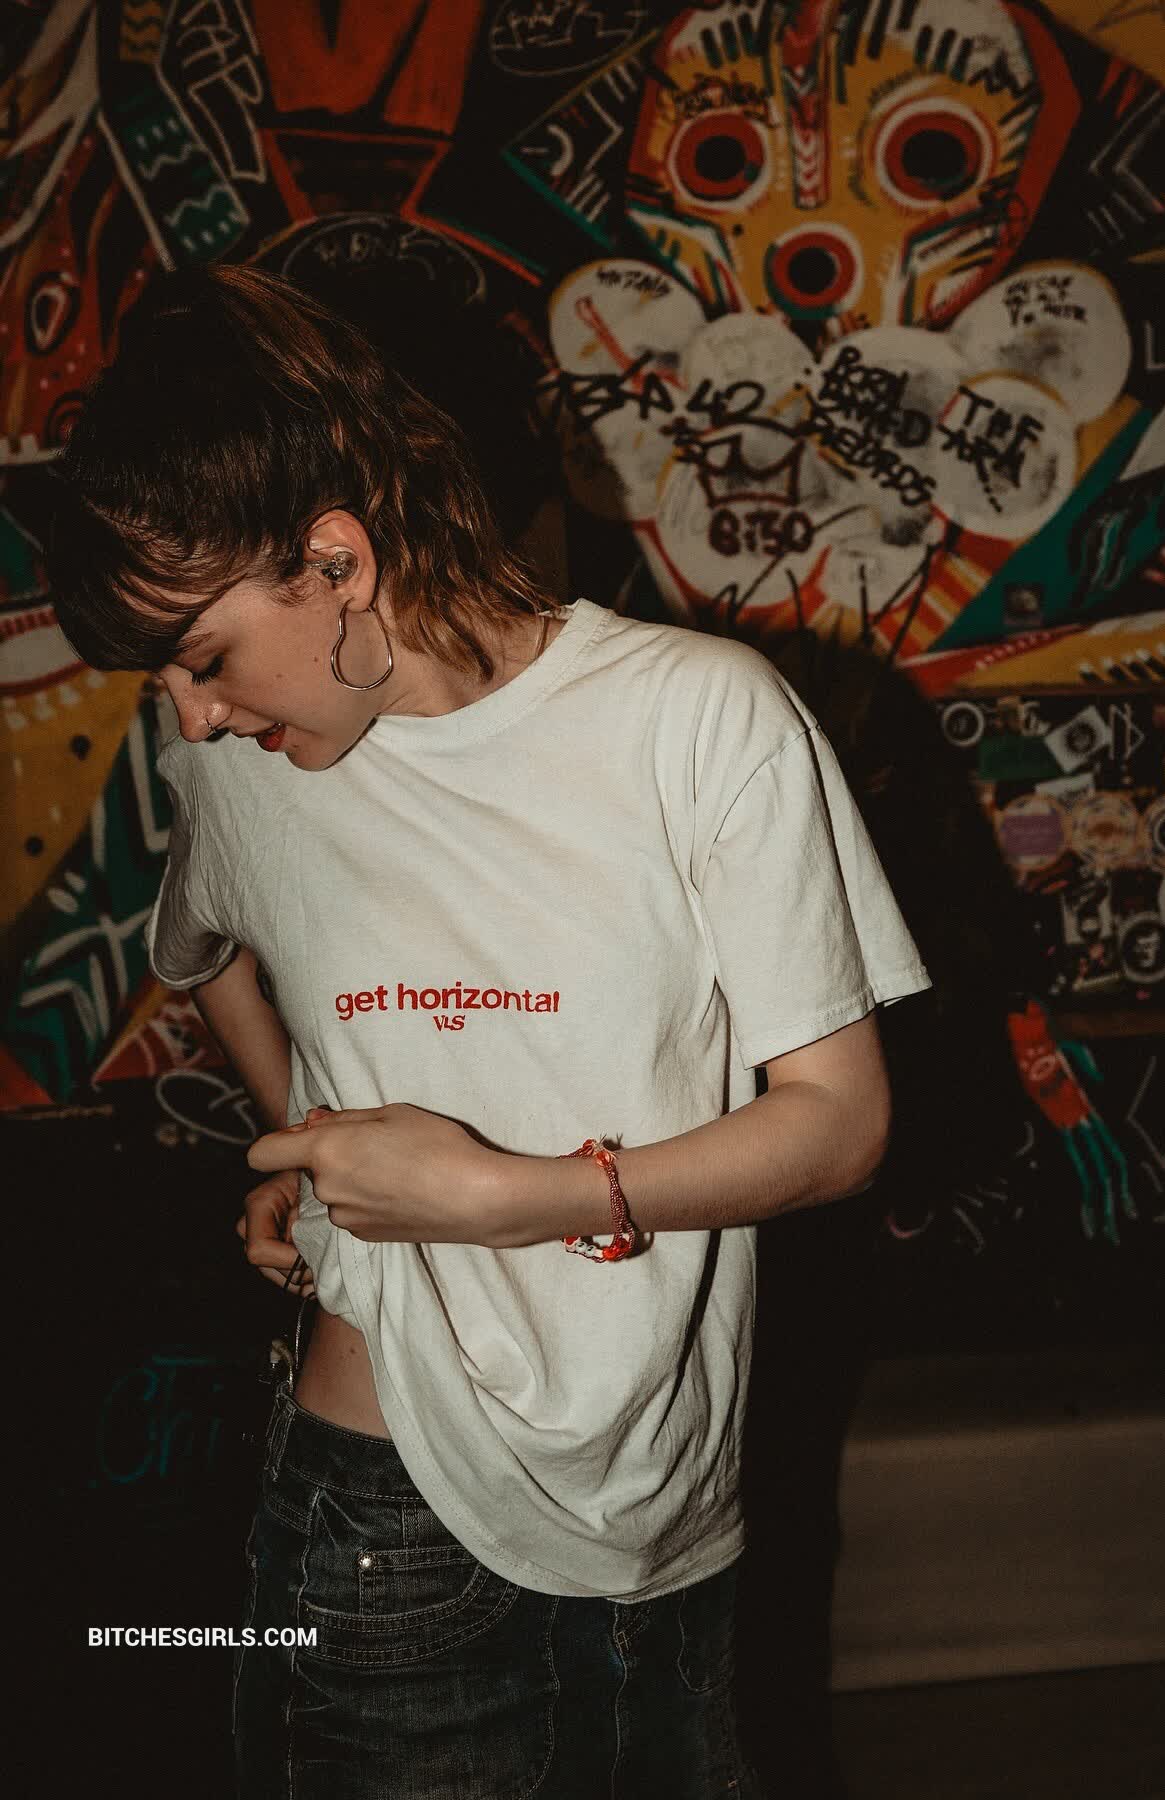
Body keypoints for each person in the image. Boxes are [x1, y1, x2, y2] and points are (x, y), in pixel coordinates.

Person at [47, 265, 930, 1798]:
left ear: (335, 559)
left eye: (202, 655)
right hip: (384, 1518)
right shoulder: (244, 774)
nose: (189, 715)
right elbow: (208, 957)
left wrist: (503, 1195)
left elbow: (840, 1122)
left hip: (673, 1507)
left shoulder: (699, 718)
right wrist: (316, 1147)